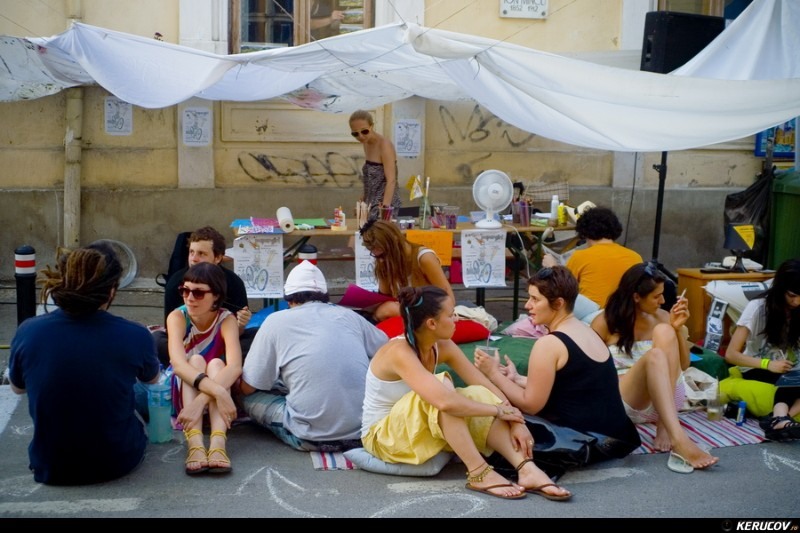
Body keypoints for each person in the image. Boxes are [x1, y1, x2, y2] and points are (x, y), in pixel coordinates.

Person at [360, 285, 572, 501]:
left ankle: (527, 469)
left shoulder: (442, 345)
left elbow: (483, 384)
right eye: (451, 315)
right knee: (444, 389)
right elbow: (445, 402)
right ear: (432, 323)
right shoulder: (399, 352)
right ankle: (479, 472)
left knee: (476, 393)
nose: (457, 320)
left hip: (413, 427)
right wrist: (497, 411)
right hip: (382, 437)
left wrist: (516, 420)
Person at [8, 243, 161, 485]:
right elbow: (153, 379)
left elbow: (17, 388)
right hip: (117, 462)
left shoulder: (29, 331)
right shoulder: (135, 334)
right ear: (111, 291)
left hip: (51, 466)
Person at [474, 266, 641, 464]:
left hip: (581, 443)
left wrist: (493, 373)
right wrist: (517, 379)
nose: (527, 305)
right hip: (615, 438)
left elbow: (531, 405)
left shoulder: (549, 344)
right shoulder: (587, 330)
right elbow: (578, 385)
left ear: (559, 303)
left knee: (491, 411)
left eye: (535, 299)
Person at [238, 260, 388, 451]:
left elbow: (249, 387)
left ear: (289, 299)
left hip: (309, 436)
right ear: (325, 296)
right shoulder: (350, 316)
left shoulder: (275, 321)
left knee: (243, 397)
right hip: (362, 431)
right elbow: (385, 348)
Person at [591, 262, 719, 471]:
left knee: (664, 331)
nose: (663, 301)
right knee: (655, 355)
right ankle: (680, 440)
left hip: (668, 400)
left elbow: (683, 365)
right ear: (636, 297)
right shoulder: (605, 322)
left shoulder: (664, 317)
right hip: (629, 401)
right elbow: (592, 370)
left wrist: (677, 329)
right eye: (656, 296)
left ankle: (666, 427)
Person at [167, 262, 242, 475]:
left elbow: (235, 366)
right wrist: (218, 391)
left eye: (198, 293)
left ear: (216, 296)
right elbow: (178, 365)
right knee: (195, 361)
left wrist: (200, 401)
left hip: (212, 396)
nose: (190, 298)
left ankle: (218, 442)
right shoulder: (177, 317)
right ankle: (195, 443)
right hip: (187, 391)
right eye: (185, 290)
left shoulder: (227, 319)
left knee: (217, 364)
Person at [155, 226, 254, 365]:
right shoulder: (175, 282)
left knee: (255, 337)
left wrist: (241, 323)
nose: (194, 259)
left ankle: (215, 362)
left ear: (218, 257)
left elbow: (236, 333)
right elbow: (171, 330)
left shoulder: (233, 282)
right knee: (157, 339)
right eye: (191, 252)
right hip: (186, 345)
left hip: (222, 344)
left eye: (201, 254)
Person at [725, 258, 800, 441]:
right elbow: (731, 354)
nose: (797, 301)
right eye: (792, 295)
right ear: (780, 288)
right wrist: (768, 364)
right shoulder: (758, 307)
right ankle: (780, 417)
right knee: (791, 379)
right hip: (757, 366)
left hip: (791, 367)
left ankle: (779, 420)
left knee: (794, 375)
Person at [542, 206, 642, 308]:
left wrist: (553, 267)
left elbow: (563, 288)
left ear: (584, 232)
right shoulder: (635, 257)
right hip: (626, 314)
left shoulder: (580, 256)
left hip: (591, 314)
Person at [359, 218, 454, 322]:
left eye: (383, 255)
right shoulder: (385, 262)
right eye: (376, 256)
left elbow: (447, 297)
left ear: (395, 241)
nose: (381, 260)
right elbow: (385, 297)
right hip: (408, 313)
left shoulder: (424, 258)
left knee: (387, 310)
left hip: (430, 313)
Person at [349, 109, 401, 214]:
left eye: (364, 131)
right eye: (355, 134)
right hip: (370, 204)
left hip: (384, 205)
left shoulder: (384, 145)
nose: (360, 136)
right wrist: (363, 201)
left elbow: (391, 181)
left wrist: (385, 211)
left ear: (371, 126)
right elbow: (371, 179)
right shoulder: (366, 143)